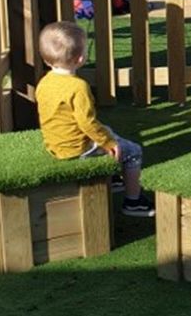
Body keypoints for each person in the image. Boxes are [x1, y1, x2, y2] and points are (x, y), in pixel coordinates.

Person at [35, 21, 154, 218]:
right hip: (77, 148)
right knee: (132, 151)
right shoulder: (78, 87)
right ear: (80, 58)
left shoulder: (45, 82)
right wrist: (108, 143)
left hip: (55, 143)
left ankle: (114, 177)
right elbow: (86, 123)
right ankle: (134, 201)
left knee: (106, 127)